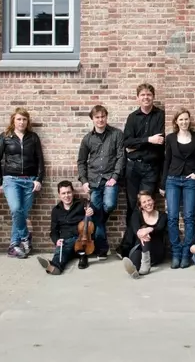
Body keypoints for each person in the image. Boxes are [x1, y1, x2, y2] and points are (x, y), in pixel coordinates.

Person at [0, 107, 45, 259]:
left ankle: (14, 246)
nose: (21, 122)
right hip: (10, 179)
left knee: (21, 213)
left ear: (27, 121)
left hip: (29, 180)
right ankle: (25, 237)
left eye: (24, 119)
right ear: (13, 121)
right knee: (16, 209)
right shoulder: (5, 137)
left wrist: (38, 179)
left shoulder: (33, 137)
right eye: (18, 119)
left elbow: (40, 160)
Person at [160, 108, 195, 269]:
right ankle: (176, 252)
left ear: (189, 120)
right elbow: (166, 161)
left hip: (190, 181)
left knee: (188, 217)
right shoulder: (171, 138)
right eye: (181, 119)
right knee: (172, 217)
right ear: (176, 122)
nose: (184, 122)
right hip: (172, 180)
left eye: (186, 119)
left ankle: (187, 253)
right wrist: (162, 183)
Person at [77, 104, 125, 260]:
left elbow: (120, 157)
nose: (100, 120)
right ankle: (102, 249)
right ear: (92, 119)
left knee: (108, 206)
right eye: (97, 117)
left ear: (106, 117)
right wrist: (84, 181)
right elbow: (81, 162)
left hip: (110, 178)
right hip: (93, 181)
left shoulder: (117, 134)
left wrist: (115, 176)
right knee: (96, 213)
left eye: (103, 116)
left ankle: (101, 245)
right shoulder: (87, 139)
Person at [123, 83, 165, 224]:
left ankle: (145, 243)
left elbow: (160, 141)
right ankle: (131, 242)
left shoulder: (160, 116)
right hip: (133, 168)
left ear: (153, 97)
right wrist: (149, 140)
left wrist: (138, 144)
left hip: (151, 168)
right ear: (137, 98)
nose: (146, 97)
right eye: (143, 95)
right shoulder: (132, 117)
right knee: (132, 204)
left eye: (148, 95)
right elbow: (127, 143)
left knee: (147, 204)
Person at [37, 180, 96, 275]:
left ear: (72, 192)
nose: (66, 196)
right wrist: (56, 240)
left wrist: (91, 210)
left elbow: (92, 207)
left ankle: (56, 265)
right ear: (59, 195)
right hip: (66, 240)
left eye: (68, 192)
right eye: (63, 193)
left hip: (81, 239)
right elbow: (53, 231)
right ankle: (55, 267)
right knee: (61, 250)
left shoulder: (81, 204)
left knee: (65, 248)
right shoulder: (56, 211)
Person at [120, 191, 168, 279]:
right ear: (140, 205)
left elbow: (159, 228)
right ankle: (136, 270)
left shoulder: (163, 216)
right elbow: (136, 231)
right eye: (144, 202)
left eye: (149, 200)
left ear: (153, 201)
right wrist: (143, 232)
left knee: (146, 236)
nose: (147, 204)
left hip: (156, 251)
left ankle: (140, 266)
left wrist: (149, 229)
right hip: (140, 248)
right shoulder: (136, 215)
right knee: (143, 237)